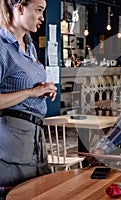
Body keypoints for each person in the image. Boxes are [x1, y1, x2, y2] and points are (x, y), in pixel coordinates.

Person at [0, 0, 57, 197]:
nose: (42, 17)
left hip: (36, 136)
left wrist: (43, 89)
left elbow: (25, 83)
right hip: (12, 139)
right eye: (39, 10)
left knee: (39, 192)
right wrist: (30, 93)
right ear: (20, 7)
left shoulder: (29, 46)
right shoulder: (2, 47)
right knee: (17, 194)